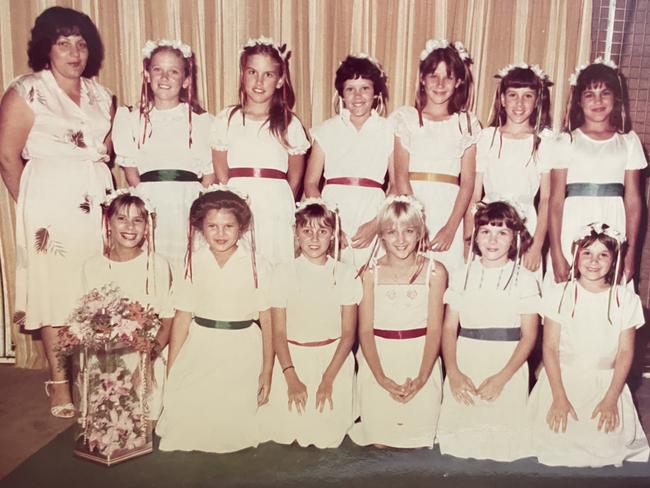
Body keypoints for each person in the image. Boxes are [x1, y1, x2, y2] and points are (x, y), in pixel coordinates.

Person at [0, 6, 114, 418]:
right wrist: (31, 207)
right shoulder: (28, 90)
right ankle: (59, 381)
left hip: (95, 199)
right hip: (48, 202)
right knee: (54, 291)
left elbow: (105, 151)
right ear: (46, 48)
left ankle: (94, 372)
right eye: (63, 43)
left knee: (94, 286)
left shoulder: (102, 96)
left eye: (81, 43)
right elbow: (8, 156)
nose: (73, 52)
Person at [156, 186, 273, 453]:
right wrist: (173, 367)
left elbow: (267, 321)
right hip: (201, 345)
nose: (220, 234)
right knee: (187, 418)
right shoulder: (192, 261)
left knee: (235, 419)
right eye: (212, 226)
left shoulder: (258, 264)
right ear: (201, 228)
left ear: (241, 228)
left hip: (242, 348)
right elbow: (183, 317)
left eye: (228, 226)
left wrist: (266, 370)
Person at [528, 222, 649, 467]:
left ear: (614, 259)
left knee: (606, 447)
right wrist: (559, 396)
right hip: (562, 381)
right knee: (557, 446)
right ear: (576, 255)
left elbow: (625, 352)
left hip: (606, 385)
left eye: (603, 254)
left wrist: (611, 398)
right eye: (587, 253)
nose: (594, 261)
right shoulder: (559, 293)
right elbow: (549, 348)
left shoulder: (625, 299)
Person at [437, 201, 540, 461]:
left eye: (502, 233)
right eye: (485, 232)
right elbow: (449, 329)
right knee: (459, 446)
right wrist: (454, 373)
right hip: (468, 359)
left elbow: (529, 336)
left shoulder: (525, 279)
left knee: (505, 447)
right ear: (475, 236)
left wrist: (501, 378)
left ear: (515, 237)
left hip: (507, 364)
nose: (492, 240)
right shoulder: (461, 275)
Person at [349, 195, 446, 448]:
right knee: (381, 441)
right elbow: (365, 331)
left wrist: (423, 377)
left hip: (419, 356)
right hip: (380, 357)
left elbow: (435, 329)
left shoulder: (435, 271)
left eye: (409, 231)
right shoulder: (370, 272)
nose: (401, 240)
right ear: (381, 236)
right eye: (392, 232)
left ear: (420, 233)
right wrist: (380, 378)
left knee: (420, 439)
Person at [262, 199, 361, 448]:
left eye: (322, 231)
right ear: (296, 234)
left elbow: (348, 334)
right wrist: (291, 377)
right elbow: (279, 332)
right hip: (292, 359)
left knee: (327, 434)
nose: (314, 238)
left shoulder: (345, 273)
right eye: (307, 231)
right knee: (283, 430)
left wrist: (327, 379)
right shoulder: (282, 272)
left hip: (333, 360)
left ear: (333, 235)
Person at [112, 39, 214, 276]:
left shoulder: (201, 122)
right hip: (151, 202)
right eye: (158, 69)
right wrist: (149, 202)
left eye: (174, 71)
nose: (164, 77)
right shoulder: (131, 119)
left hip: (188, 201)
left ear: (186, 80)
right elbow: (132, 174)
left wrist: (195, 205)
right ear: (146, 75)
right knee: (153, 267)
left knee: (186, 265)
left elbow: (209, 175)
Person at [211, 37, 309, 266]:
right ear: (242, 75)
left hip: (274, 204)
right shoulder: (226, 119)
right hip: (238, 201)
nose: (259, 81)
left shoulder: (289, 123)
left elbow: (295, 178)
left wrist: (278, 202)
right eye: (252, 72)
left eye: (268, 74)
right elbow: (221, 172)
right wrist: (234, 203)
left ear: (280, 80)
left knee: (273, 264)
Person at [548, 59, 646, 284]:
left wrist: (630, 254)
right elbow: (555, 201)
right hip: (573, 221)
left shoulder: (628, 141)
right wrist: (556, 252)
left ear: (616, 98)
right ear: (579, 102)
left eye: (605, 93)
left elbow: (633, 202)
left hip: (614, 220)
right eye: (589, 94)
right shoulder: (565, 141)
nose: (598, 101)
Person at [81, 189, 173, 420]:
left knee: (144, 416)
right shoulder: (92, 266)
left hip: (152, 349)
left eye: (137, 220)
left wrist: (146, 362)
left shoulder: (157, 265)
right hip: (108, 352)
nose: (130, 227)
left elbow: (168, 321)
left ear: (147, 227)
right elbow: (88, 322)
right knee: (108, 415)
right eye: (121, 218)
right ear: (108, 223)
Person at [391, 39, 480, 273]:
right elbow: (400, 177)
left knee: (445, 277)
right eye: (433, 76)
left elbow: (468, 183)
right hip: (412, 206)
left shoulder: (466, 123)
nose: (440, 84)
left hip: (448, 209)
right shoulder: (406, 118)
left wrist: (451, 228)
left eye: (448, 77)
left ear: (458, 81)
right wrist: (416, 226)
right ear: (422, 78)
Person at [303, 54, 394, 270]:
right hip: (334, 208)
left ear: (376, 93)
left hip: (373, 208)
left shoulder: (390, 130)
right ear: (341, 94)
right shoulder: (326, 130)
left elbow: (396, 186)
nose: (358, 96)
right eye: (350, 89)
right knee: (333, 275)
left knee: (369, 274)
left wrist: (376, 223)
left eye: (365, 88)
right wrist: (331, 225)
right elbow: (310, 183)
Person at [473, 64, 553, 273]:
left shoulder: (545, 142)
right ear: (502, 99)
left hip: (527, 225)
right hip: (489, 225)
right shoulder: (487, 138)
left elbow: (546, 199)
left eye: (527, 96)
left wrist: (537, 245)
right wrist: (469, 239)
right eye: (512, 95)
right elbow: (474, 194)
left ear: (537, 101)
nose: (519, 103)